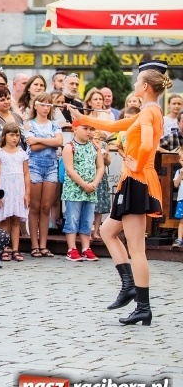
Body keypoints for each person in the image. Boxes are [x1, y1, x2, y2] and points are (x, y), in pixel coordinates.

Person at [71, 60, 171, 326]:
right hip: (134, 180)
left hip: (137, 180)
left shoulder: (149, 113)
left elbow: (147, 144)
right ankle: (128, 285)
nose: (135, 84)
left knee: (136, 249)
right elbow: (118, 126)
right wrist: (82, 118)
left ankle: (143, 306)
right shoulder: (149, 110)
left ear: (146, 86)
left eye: (137, 81)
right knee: (107, 231)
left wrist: (137, 164)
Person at [24, 93, 62, 258]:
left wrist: (39, 140)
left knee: (46, 207)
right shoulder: (29, 124)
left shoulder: (54, 124)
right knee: (34, 207)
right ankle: (34, 245)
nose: (46, 108)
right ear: (35, 106)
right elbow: (32, 146)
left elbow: (59, 142)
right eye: (43, 104)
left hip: (51, 166)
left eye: (49, 105)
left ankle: (43, 244)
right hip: (34, 166)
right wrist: (50, 141)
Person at [61, 120, 103, 262]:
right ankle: (71, 248)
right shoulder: (69, 147)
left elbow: (100, 167)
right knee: (72, 218)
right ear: (75, 129)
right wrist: (84, 185)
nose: (88, 132)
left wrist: (94, 183)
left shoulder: (95, 147)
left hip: (91, 190)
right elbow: (69, 170)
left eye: (91, 129)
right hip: (74, 190)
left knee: (87, 219)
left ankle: (86, 248)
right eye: (85, 128)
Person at [0, 123, 29, 262]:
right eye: (12, 135)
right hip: (5, 189)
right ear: (5, 136)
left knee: (16, 220)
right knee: (5, 220)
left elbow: (26, 173)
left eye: (17, 135)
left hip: (18, 190)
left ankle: (15, 249)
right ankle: (4, 248)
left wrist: (27, 193)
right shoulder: (0, 154)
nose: (15, 138)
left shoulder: (22, 154)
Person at [90, 130, 112, 241]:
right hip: (90, 176)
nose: (97, 140)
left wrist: (106, 157)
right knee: (89, 205)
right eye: (95, 138)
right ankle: (87, 231)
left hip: (101, 177)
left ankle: (96, 231)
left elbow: (108, 162)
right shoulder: (87, 145)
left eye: (98, 138)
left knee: (99, 206)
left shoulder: (104, 145)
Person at [172, 148, 183, 248]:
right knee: (181, 220)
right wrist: (180, 175)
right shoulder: (179, 171)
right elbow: (175, 184)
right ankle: (179, 239)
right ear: (180, 160)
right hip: (181, 199)